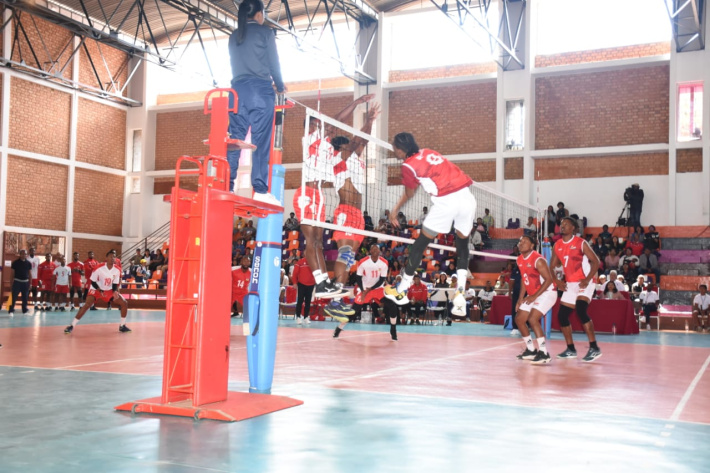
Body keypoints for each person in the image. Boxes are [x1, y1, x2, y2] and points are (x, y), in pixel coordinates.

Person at [384, 132, 476, 310]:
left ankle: (402, 289)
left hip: (446, 201)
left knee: (419, 245)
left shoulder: (408, 166)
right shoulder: (427, 151)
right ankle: (461, 291)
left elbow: (410, 193)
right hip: (467, 198)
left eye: (394, 147)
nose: (393, 150)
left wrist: (395, 210)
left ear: (401, 149)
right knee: (462, 244)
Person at [294, 94, 374, 298]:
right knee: (314, 242)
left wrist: (370, 121)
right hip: (310, 193)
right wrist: (356, 104)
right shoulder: (311, 138)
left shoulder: (328, 149)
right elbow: (336, 124)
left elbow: (357, 141)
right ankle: (323, 284)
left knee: (320, 243)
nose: (321, 125)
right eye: (316, 123)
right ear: (311, 127)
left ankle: (324, 284)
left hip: (320, 195)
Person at [227, 0, 285, 205]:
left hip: (235, 92)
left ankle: (228, 184)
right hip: (259, 91)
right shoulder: (265, 33)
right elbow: (273, 63)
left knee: (235, 141)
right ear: (259, 14)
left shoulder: (234, 36)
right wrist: (280, 85)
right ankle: (259, 189)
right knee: (260, 142)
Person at [325, 103, 381, 317]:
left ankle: (337, 300)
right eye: (349, 146)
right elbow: (357, 140)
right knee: (345, 253)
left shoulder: (355, 160)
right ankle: (335, 300)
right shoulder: (338, 157)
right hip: (345, 211)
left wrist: (371, 121)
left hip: (358, 215)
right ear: (342, 148)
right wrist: (366, 120)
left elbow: (363, 141)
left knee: (350, 259)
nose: (354, 148)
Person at [550, 217, 602, 362]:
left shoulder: (581, 243)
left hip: (585, 281)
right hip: (570, 284)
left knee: (580, 309)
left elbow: (596, 261)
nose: (563, 226)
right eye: (561, 224)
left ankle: (594, 347)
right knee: (562, 316)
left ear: (573, 228)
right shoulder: (557, 245)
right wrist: (557, 281)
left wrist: (587, 279)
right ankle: (571, 349)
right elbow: (552, 266)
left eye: (566, 224)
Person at [335, 245, 397, 341]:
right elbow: (358, 277)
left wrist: (371, 289)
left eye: (377, 248)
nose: (375, 250)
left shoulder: (384, 262)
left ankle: (393, 329)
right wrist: (364, 290)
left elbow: (382, 279)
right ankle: (339, 328)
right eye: (373, 248)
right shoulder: (363, 262)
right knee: (354, 312)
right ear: (370, 251)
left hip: (377, 289)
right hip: (364, 288)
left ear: (380, 251)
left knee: (392, 305)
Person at [514, 235, 557, 364]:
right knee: (519, 319)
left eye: (524, 241)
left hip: (547, 292)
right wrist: (520, 298)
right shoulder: (519, 259)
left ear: (532, 246)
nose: (521, 243)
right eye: (520, 241)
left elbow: (549, 280)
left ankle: (544, 353)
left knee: (532, 318)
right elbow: (524, 278)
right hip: (534, 293)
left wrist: (534, 296)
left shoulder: (538, 260)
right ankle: (531, 350)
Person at [65, 251, 130, 334]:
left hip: (108, 290)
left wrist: (114, 292)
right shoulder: (99, 267)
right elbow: (93, 281)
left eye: (114, 257)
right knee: (87, 305)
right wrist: (100, 290)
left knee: (124, 303)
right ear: (106, 258)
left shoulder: (117, 269)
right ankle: (72, 325)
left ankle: (122, 325)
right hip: (96, 289)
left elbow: (114, 284)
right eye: (110, 256)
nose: (112, 258)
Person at [8, 249, 32, 315]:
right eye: (22, 254)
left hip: (25, 283)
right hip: (17, 282)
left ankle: (24, 310)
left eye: (25, 254)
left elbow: (30, 274)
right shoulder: (15, 263)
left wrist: (30, 284)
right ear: (20, 254)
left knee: (25, 297)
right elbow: (12, 274)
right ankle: (11, 310)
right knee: (14, 297)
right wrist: (11, 284)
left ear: (26, 255)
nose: (24, 255)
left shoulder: (28, 263)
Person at [291, 256, 315, 325]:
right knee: (300, 301)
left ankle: (306, 317)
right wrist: (295, 283)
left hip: (311, 285)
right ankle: (298, 317)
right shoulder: (300, 262)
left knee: (308, 302)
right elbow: (295, 274)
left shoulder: (313, 262)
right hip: (301, 284)